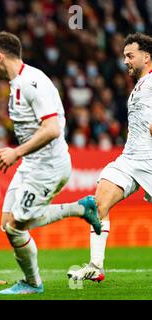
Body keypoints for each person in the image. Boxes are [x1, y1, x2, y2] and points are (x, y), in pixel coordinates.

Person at [0, 31, 102, 295]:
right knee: (7, 223)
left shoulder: (31, 82)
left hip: (47, 167)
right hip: (31, 162)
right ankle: (80, 208)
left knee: (17, 227)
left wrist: (16, 153)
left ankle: (32, 283)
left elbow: (51, 129)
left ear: (1, 56)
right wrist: (21, 154)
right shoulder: (17, 83)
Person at [67, 33, 152, 282]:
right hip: (129, 159)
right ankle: (96, 265)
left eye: (130, 55)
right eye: (124, 55)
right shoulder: (140, 85)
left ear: (146, 57)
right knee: (98, 203)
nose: (125, 61)